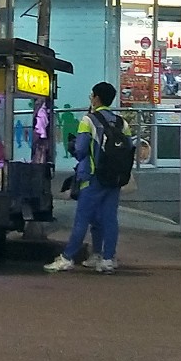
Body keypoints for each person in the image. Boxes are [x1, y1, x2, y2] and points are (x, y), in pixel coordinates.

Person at [45, 81, 129, 275]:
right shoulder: (121, 122)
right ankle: (107, 259)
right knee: (109, 218)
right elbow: (128, 150)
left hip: (92, 177)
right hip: (115, 178)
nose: (90, 98)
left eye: (91, 95)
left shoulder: (88, 120)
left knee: (82, 218)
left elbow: (81, 149)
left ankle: (67, 258)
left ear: (96, 97)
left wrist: (74, 147)